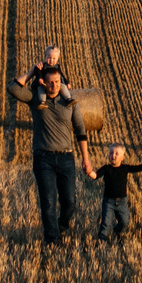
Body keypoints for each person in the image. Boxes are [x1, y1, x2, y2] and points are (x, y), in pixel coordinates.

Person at [9, 64, 86, 244]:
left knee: (69, 202)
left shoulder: (69, 102)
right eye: (50, 83)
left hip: (66, 157)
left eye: (57, 82)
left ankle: (62, 227)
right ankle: (52, 240)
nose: (54, 86)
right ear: (44, 83)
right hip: (43, 158)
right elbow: (12, 88)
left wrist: (86, 159)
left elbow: (80, 130)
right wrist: (30, 72)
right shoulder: (36, 99)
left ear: (62, 82)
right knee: (48, 203)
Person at [86, 144, 142, 239]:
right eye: (111, 153)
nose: (113, 155)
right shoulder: (106, 168)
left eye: (116, 153)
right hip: (108, 202)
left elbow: (139, 168)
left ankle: (117, 230)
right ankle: (102, 240)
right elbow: (96, 176)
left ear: (123, 157)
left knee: (125, 222)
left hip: (122, 202)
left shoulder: (125, 168)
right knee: (106, 223)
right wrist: (89, 172)